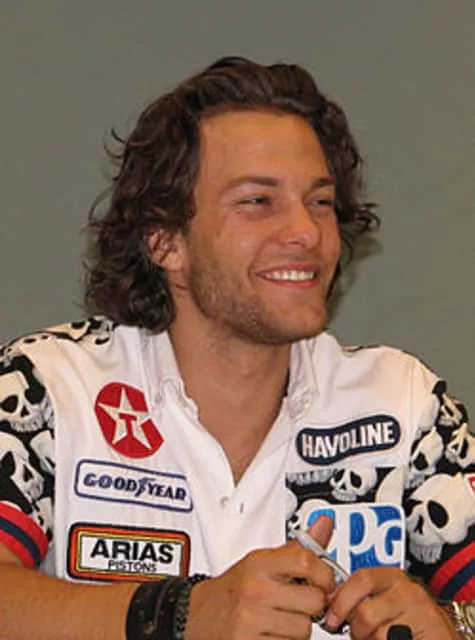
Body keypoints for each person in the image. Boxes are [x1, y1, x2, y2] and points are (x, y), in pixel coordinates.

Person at [0, 56, 473, 640]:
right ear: (164, 240)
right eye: (257, 201)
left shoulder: (402, 404)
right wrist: (177, 615)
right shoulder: (47, 387)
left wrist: (451, 625)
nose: (306, 232)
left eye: (320, 202)